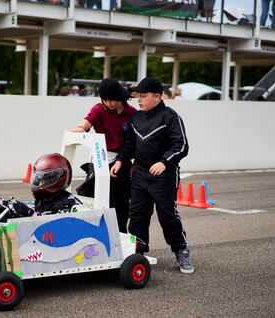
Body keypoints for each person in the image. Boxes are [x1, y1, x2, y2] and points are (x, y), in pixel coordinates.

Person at [110, 77, 193, 274]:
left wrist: (164, 162)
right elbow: (129, 146)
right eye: (137, 96)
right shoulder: (135, 119)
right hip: (140, 174)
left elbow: (181, 146)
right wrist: (121, 161)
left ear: (157, 97)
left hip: (164, 174)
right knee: (137, 213)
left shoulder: (170, 117)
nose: (139, 100)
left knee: (167, 215)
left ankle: (181, 250)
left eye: (143, 96)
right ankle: (138, 252)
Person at [71, 77, 137, 233]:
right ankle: (95, 233)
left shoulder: (132, 114)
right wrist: (81, 128)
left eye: (112, 100)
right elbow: (88, 121)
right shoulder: (98, 110)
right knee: (98, 199)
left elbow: (137, 143)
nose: (109, 104)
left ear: (120, 97)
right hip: (100, 159)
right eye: (105, 100)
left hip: (123, 160)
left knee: (121, 203)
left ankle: (120, 235)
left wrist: (135, 165)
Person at [12, 153, 80, 216]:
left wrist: (30, 214)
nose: (39, 183)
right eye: (38, 179)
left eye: (43, 179)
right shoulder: (44, 199)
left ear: (54, 179)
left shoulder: (66, 204)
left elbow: (51, 225)